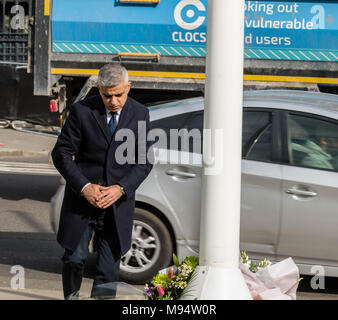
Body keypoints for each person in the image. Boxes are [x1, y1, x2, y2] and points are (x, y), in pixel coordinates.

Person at [51, 63, 153, 299]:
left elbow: (144, 162)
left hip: (116, 207)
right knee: (74, 259)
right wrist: (85, 187)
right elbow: (61, 153)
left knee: (108, 272)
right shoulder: (81, 111)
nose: (114, 101)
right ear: (98, 89)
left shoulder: (140, 114)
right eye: (108, 96)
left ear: (129, 87)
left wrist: (120, 189)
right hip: (82, 201)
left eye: (119, 94)